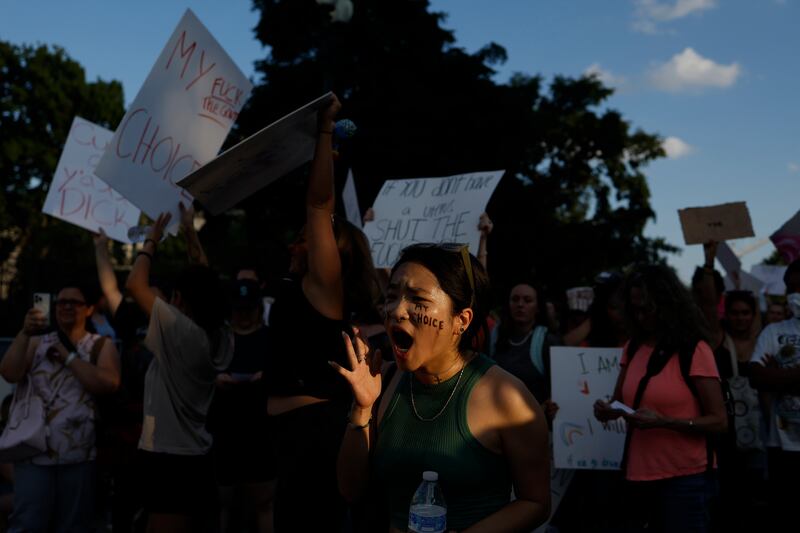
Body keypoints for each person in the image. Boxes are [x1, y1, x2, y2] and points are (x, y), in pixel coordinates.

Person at [334, 244, 551, 532]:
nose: (398, 311)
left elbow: (536, 503)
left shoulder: (508, 398)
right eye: (392, 296)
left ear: (461, 320)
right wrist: (361, 409)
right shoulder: (383, 382)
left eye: (418, 300)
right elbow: (350, 491)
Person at [263, 94, 381, 532]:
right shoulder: (298, 290)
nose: (297, 244)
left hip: (317, 436)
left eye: (305, 240)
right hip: (293, 440)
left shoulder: (322, 289)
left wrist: (325, 131)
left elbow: (317, 206)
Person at [594, 264, 728, 533]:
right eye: (635, 309)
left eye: (647, 309)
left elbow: (719, 421)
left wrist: (665, 421)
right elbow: (620, 400)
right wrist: (606, 410)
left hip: (686, 479)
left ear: (667, 305)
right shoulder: (633, 347)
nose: (641, 317)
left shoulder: (694, 349)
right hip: (637, 474)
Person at [125, 205, 233, 533]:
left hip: (168, 456)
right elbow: (207, 284)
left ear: (181, 301)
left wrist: (152, 241)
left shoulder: (181, 332)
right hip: (196, 453)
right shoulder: (220, 335)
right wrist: (190, 233)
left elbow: (134, 284)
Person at [0, 282, 121, 532]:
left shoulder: (100, 345)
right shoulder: (35, 342)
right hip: (33, 454)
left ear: (88, 310)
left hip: (78, 456)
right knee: (27, 525)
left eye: (74, 302)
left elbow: (109, 383)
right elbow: (9, 373)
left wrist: (68, 357)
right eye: (61, 302)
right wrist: (24, 333)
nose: (66, 306)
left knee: (72, 527)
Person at [209, 279, 275, 533]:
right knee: (226, 503)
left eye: (249, 309)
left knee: (264, 502)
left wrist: (265, 378)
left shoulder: (269, 337)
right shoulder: (220, 338)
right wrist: (217, 379)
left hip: (260, 431)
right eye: (239, 309)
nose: (244, 315)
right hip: (226, 430)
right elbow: (202, 373)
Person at [748, 259, 800, 532]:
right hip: (781, 448)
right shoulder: (774, 331)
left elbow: (767, 377)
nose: (796, 293)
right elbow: (756, 377)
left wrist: (778, 376)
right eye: (792, 287)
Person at [488, 280, 560, 421]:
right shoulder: (494, 336)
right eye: (515, 299)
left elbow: (558, 389)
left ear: (538, 307)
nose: (520, 305)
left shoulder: (547, 341)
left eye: (527, 300)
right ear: (508, 304)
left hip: (533, 426)